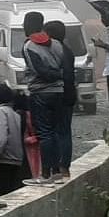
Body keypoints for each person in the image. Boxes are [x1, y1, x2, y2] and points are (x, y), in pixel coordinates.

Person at [21, 11, 67, 184]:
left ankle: (46, 174)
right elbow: (61, 68)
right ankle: (56, 172)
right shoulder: (56, 44)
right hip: (58, 92)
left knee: (44, 133)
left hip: (40, 93)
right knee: (54, 131)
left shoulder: (28, 46)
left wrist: (51, 75)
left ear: (28, 25)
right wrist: (58, 75)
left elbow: (39, 70)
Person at [44, 20, 76, 179]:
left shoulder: (55, 51)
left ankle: (59, 166)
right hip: (68, 95)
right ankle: (63, 166)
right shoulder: (67, 51)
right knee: (64, 130)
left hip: (59, 95)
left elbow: (65, 75)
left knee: (58, 131)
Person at [0, 84, 26, 200]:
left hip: (3, 161)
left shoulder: (0, 111)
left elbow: (1, 138)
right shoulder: (15, 114)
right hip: (16, 161)